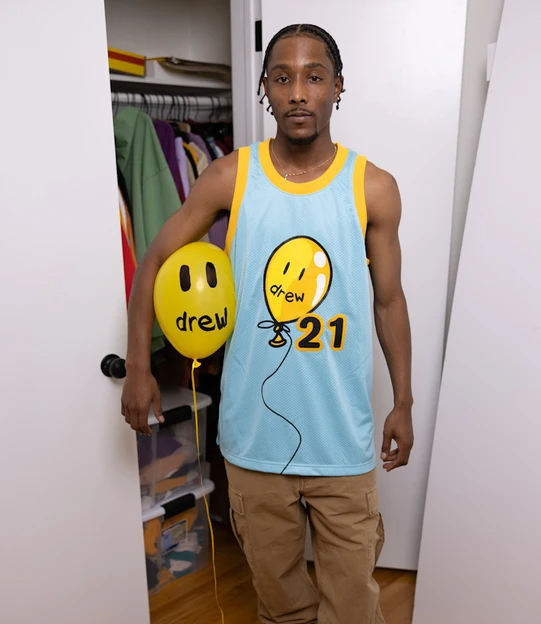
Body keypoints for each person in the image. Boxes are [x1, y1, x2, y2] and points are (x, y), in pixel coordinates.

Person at [121, 23, 414, 624]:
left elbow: (389, 302)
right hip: (254, 443)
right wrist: (138, 367)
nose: (298, 92)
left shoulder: (373, 188)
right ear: (265, 89)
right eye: (283, 77)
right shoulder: (230, 177)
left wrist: (404, 401)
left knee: (353, 610)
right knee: (280, 609)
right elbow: (154, 262)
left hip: (342, 442)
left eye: (314, 77)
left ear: (338, 87)